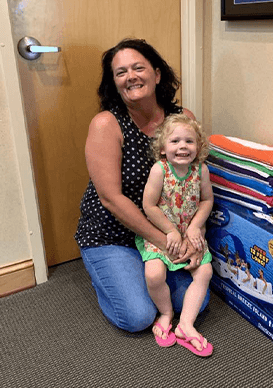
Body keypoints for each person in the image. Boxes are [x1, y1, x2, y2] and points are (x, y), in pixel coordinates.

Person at [74, 38, 210, 335]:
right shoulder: (106, 124)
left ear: (157, 74)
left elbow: (194, 186)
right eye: (121, 72)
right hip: (113, 233)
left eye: (138, 68)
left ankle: (141, 273)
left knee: (196, 304)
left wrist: (191, 234)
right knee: (138, 317)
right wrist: (166, 243)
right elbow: (110, 199)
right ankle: (105, 274)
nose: (131, 76)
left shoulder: (182, 120)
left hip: (169, 229)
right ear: (114, 83)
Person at [136, 113, 213, 356]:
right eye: (175, 141)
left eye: (189, 142)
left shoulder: (201, 170)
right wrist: (170, 231)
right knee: (154, 273)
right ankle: (166, 312)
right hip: (163, 234)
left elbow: (207, 200)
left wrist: (194, 227)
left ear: (198, 147)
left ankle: (186, 325)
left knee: (205, 272)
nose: (182, 146)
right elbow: (149, 206)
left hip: (190, 234)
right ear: (162, 149)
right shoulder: (159, 170)